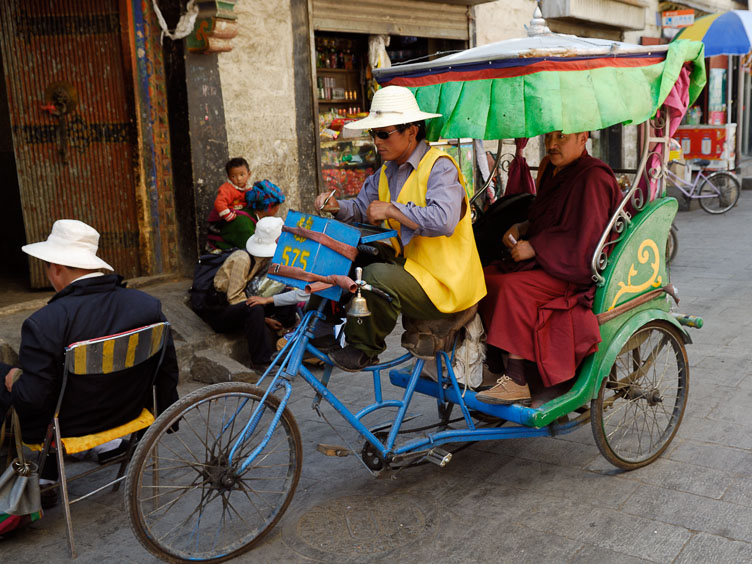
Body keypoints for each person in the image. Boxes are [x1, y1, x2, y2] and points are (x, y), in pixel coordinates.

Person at [0, 219, 180, 505]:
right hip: (129, 414)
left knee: (9, 378)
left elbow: (32, 400)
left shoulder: (43, 323)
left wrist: (14, 383)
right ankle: (108, 444)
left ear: (56, 268)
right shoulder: (147, 305)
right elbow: (167, 370)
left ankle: (42, 477)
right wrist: (170, 417)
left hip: (67, 427)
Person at [315, 85, 486, 372]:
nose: (377, 141)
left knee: (374, 277)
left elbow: (443, 219)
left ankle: (363, 348)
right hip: (412, 268)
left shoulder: (440, 168)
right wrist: (336, 207)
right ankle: (320, 328)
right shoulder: (385, 171)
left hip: (446, 283)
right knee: (341, 255)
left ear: (412, 131)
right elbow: (361, 207)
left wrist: (394, 210)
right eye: (374, 134)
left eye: (384, 133)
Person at [476, 130, 622, 405]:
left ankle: (518, 378)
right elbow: (546, 218)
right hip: (549, 262)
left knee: (511, 288)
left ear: (583, 138)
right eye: (548, 138)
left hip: (573, 269)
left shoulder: (593, 177)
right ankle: (494, 362)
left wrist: (537, 247)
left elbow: (587, 239)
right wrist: (522, 227)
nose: (551, 145)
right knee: (483, 277)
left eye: (562, 138)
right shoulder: (550, 169)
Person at [199, 216, 303, 369]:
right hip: (221, 310)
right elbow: (234, 298)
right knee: (254, 309)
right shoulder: (242, 258)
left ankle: (285, 335)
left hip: (246, 301)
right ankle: (261, 361)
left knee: (286, 293)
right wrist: (265, 319)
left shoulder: (264, 258)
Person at [206, 157, 286, 251]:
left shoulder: (247, 206)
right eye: (277, 206)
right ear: (271, 207)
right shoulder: (244, 224)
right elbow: (255, 251)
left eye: (242, 175)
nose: (239, 179)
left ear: (249, 174)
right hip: (219, 257)